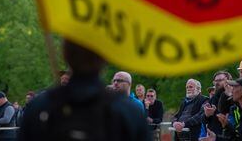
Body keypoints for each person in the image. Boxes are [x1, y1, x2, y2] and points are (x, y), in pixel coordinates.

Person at [19, 40, 150, 141]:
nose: (116, 83)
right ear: (104, 58)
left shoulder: (39, 107)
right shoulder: (128, 111)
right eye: (115, 80)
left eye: (119, 81)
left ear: (65, 54)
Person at [201, 71, 233, 140]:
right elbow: (203, 120)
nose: (217, 83)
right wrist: (207, 115)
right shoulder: (213, 98)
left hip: (227, 136)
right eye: (215, 81)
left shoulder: (233, 95)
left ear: (228, 81)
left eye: (220, 80)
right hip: (212, 136)